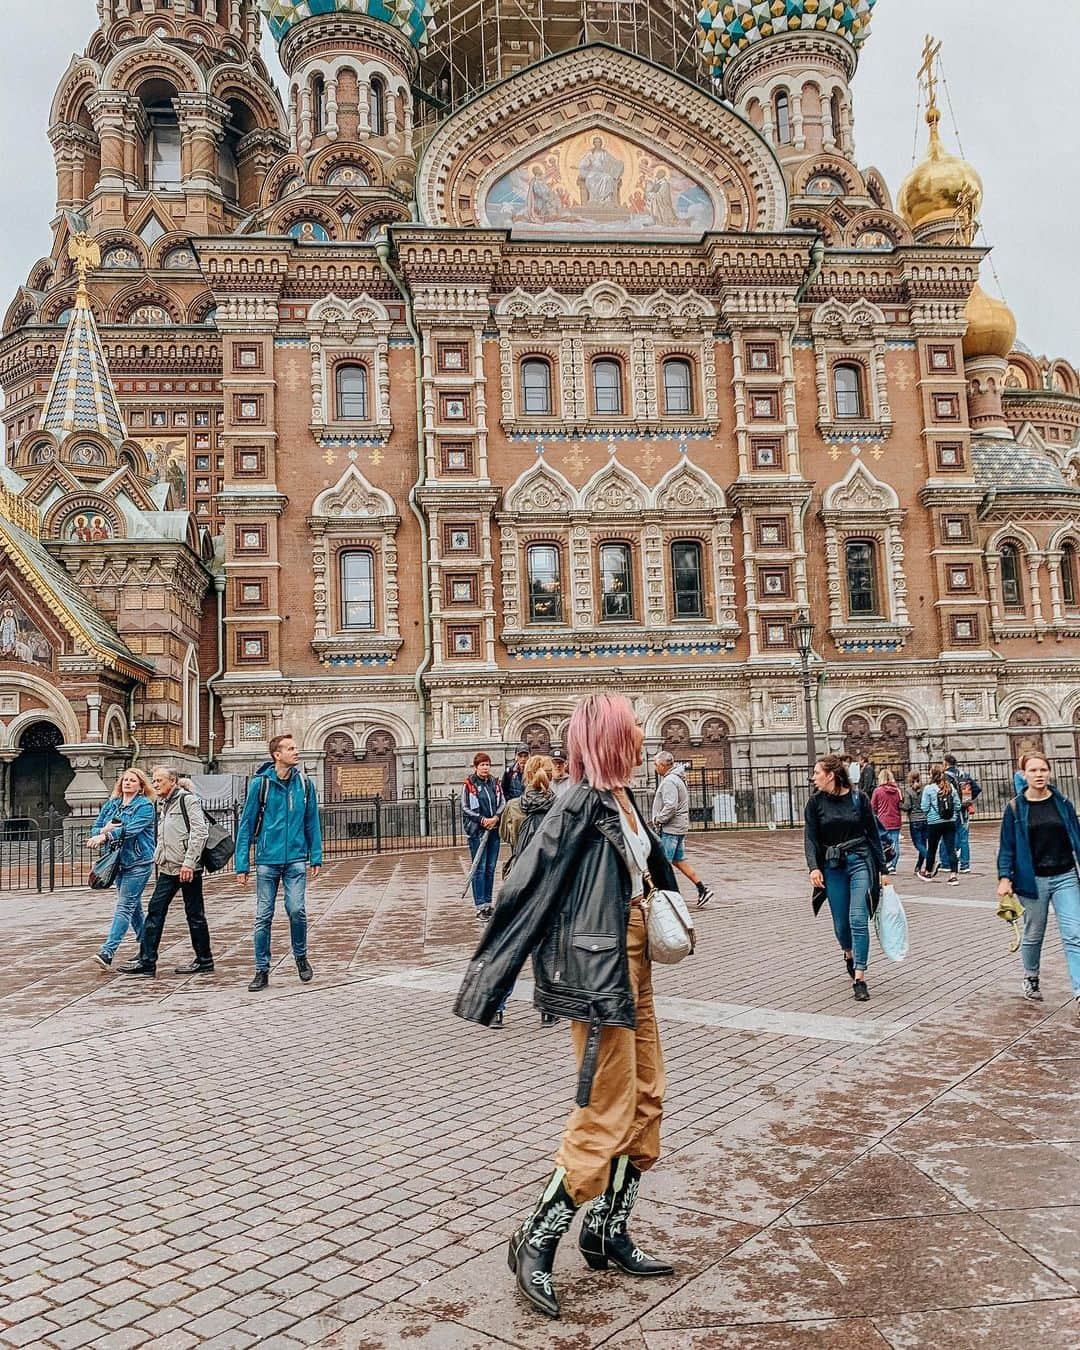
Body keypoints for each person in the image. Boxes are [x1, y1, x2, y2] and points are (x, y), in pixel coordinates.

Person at [456, 693, 679, 1319]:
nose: (641, 730)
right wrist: (489, 984)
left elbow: (649, 872)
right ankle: (537, 1236)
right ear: (610, 735)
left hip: (633, 960)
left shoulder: (623, 799)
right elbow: (525, 890)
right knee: (606, 1107)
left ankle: (606, 1230)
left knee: (648, 1094)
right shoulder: (577, 803)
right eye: (632, 724)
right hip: (598, 969)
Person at [234, 732, 322, 993]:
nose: (297, 752)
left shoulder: (305, 784)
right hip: (266, 860)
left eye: (296, 748)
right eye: (291, 748)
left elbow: (311, 821)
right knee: (263, 916)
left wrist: (315, 854)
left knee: (297, 910)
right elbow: (246, 825)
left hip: (295, 858)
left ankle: (301, 957)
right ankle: (261, 970)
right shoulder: (260, 784)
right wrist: (242, 865)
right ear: (277, 755)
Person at [996, 753, 1080, 1015]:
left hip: (1065, 875)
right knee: (1034, 934)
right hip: (1033, 880)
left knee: (1075, 934)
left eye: (1043, 769)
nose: (1039, 774)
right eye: (1033, 770)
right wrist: (1005, 877)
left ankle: (1079, 991)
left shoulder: (1063, 803)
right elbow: (1007, 846)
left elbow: (1076, 837)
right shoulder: (1014, 808)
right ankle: (1031, 976)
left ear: (1050, 772)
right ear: (1024, 774)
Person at [805, 755, 887, 1003]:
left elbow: (873, 834)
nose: (813, 777)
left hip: (860, 861)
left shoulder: (858, 798)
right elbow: (810, 838)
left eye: (817, 773)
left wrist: (884, 871)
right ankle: (848, 954)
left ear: (830, 775)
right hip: (832, 867)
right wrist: (813, 868)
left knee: (858, 918)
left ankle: (860, 977)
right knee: (842, 925)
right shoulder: (815, 803)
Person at [118, 765, 214, 977]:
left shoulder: (186, 800)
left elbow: (199, 831)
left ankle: (204, 959)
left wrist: (189, 863)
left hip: (187, 868)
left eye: (159, 780)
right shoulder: (164, 803)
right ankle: (147, 960)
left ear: (172, 781)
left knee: (194, 914)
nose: (155, 784)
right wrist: (159, 858)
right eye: (154, 780)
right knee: (155, 910)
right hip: (169, 867)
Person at [497, 754, 559, 1029]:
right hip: (548, 882)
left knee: (512, 946)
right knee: (546, 948)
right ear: (551, 774)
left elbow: (506, 837)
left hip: (519, 881)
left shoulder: (512, 807)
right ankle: (547, 1009)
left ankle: (497, 1006)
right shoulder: (561, 807)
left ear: (525, 775)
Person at [88, 768, 156, 970]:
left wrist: (107, 835)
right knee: (133, 907)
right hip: (118, 862)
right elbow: (96, 827)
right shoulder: (113, 804)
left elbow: (132, 829)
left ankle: (108, 951)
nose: (127, 783)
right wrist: (102, 830)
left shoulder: (144, 806)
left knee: (124, 906)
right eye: (125, 780)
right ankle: (148, 948)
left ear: (141, 786)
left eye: (132, 780)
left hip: (138, 862)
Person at [651, 751, 714, 907]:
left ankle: (665, 898)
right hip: (678, 827)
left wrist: (659, 819)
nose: (655, 767)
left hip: (670, 828)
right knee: (679, 861)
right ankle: (702, 889)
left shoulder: (669, 781)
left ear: (663, 765)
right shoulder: (677, 778)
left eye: (656, 764)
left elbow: (670, 806)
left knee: (662, 865)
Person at [462, 752, 504, 921]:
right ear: (476, 767)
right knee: (479, 868)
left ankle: (488, 903)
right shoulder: (470, 784)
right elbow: (465, 807)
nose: (485, 768)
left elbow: (502, 801)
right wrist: (482, 820)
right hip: (477, 832)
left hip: (493, 830)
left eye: (487, 764)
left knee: (490, 868)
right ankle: (480, 906)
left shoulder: (494, 782)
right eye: (482, 765)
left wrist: (495, 818)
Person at [940, 752, 981, 874]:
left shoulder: (945, 776)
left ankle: (945, 863)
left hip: (951, 811)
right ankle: (965, 865)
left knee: (946, 837)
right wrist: (968, 800)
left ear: (946, 763)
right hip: (964, 810)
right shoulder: (964, 774)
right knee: (964, 838)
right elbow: (977, 789)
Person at [920, 767, 962, 885]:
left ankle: (928, 872)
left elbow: (924, 807)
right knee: (950, 848)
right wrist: (952, 815)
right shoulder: (950, 787)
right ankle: (953, 875)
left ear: (932, 775)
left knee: (932, 848)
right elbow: (958, 805)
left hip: (934, 823)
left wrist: (931, 813)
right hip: (950, 822)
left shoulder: (928, 789)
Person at [870, 769, 903, 875]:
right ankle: (893, 865)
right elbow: (900, 804)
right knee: (895, 842)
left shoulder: (878, 791)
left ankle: (885, 863)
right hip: (895, 819)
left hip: (882, 820)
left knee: (882, 844)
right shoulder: (897, 790)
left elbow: (873, 806)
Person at [901, 770, 929, 876]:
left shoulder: (908, 791)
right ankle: (918, 867)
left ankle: (929, 859)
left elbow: (907, 806)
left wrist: (899, 805)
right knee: (923, 844)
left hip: (915, 820)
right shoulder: (924, 789)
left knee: (917, 844)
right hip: (925, 819)